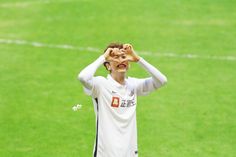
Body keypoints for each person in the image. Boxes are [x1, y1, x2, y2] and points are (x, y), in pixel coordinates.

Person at [78, 43, 167, 157]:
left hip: (129, 153)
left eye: (123, 57)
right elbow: (83, 77)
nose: (121, 60)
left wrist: (138, 59)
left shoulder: (134, 85)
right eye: (116, 58)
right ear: (108, 66)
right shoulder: (100, 85)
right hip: (106, 153)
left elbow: (162, 80)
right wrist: (104, 57)